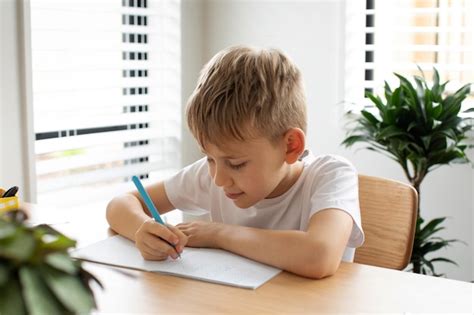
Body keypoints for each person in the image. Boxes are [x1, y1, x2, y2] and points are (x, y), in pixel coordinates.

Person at [106, 45, 364, 279]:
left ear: (290, 146)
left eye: (237, 164)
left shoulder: (331, 175)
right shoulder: (216, 173)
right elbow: (120, 205)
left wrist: (218, 234)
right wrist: (144, 230)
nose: (218, 178)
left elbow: (319, 256)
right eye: (209, 158)